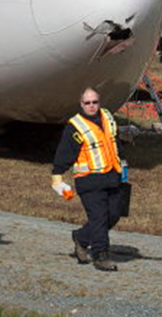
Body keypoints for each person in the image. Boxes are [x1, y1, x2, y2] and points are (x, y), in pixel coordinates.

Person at [51, 87, 125, 272]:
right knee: (99, 217)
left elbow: (114, 141)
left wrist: (123, 164)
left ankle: (81, 238)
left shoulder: (107, 116)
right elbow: (64, 152)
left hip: (112, 175)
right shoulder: (75, 126)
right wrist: (57, 177)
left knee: (114, 214)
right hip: (89, 180)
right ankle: (101, 256)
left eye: (94, 102)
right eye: (87, 103)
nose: (91, 106)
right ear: (81, 104)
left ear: (99, 102)